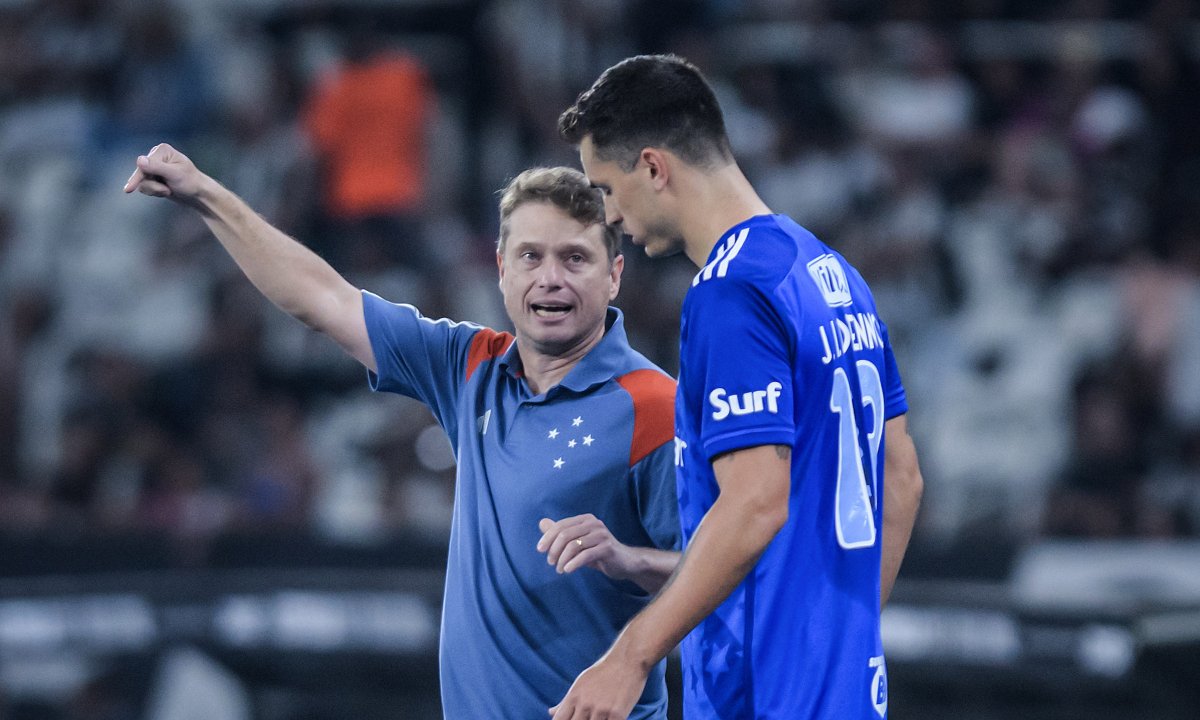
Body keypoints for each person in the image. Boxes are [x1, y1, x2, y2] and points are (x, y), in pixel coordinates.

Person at [123, 148, 682, 719]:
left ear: (614, 275)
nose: (550, 279)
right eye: (531, 256)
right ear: (501, 268)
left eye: (575, 258)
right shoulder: (470, 368)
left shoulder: (654, 406)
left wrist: (630, 560)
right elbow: (322, 298)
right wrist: (205, 194)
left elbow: (738, 570)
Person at [553, 54, 925, 719]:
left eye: (605, 188)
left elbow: (755, 504)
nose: (608, 216)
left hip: (760, 696)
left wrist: (632, 655)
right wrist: (839, 645)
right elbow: (900, 483)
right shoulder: (827, 269)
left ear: (653, 168)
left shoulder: (730, 292)